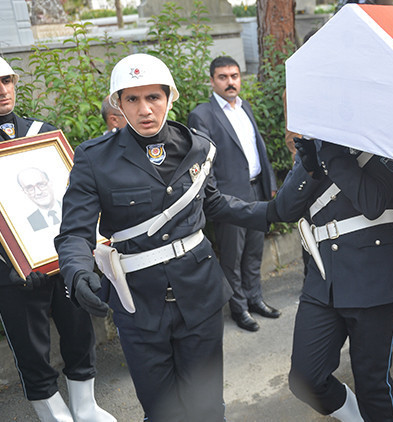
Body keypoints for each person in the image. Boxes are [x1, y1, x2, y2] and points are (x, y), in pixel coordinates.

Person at [55, 53, 271, 421]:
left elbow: (214, 203)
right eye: (132, 99)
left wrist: (274, 211)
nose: (144, 109)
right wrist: (76, 272)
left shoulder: (196, 146)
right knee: (161, 410)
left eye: (153, 97)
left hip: (200, 294)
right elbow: (75, 232)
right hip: (138, 304)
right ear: (118, 104)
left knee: (207, 409)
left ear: (169, 98)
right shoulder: (94, 159)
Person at [270, 111, 393, 418]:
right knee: (305, 378)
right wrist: (309, 164)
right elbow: (285, 208)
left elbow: (373, 203)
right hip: (324, 278)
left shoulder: (383, 142)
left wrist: (331, 152)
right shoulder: (316, 143)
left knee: (372, 383)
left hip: (375, 276)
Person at [0, 57, 115, 422]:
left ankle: (85, 406)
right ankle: (52, 414)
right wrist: (12, 261)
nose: (2, 90)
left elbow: (76, 195)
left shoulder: (44, 134)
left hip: (62, 257)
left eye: (7, 80)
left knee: (79, 330)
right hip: (12, 272)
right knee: (31, 346)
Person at [188, 56, 279, 332]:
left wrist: (269, 184)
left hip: (256, 190)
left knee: (254, 251)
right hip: (228, 199)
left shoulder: (244, 107)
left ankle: (255, 298)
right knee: (232, 257)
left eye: (234, 76)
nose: (230, 82)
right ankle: (239, 308)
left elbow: (257, 149)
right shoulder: (202, 115)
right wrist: (216, 198)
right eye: (223, 77)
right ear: (212, 81)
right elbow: (203, 162)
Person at [18, 167, 63, 232]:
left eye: (41, 185)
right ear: (25, 192)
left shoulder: (72, 208)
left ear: (50, 183)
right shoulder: (27, 224)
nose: (38, 192)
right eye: (30, 188)